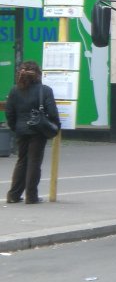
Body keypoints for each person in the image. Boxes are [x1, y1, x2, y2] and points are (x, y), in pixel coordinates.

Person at [4, 60, 61, 204]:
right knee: (34, 162)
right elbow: (52, 112)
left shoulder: (14, 90)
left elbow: (9, 113)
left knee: (22, 161)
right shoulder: (45, 90)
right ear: (38, 74)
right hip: (38, 131)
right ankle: (31, 196)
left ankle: (13, 195)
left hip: (20, 130)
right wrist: (55, 126)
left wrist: (15, 127)